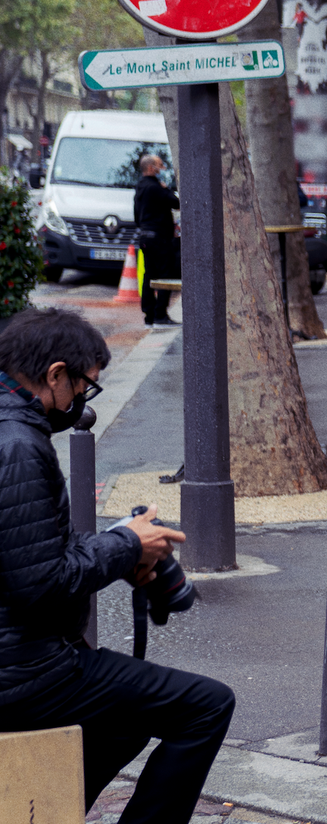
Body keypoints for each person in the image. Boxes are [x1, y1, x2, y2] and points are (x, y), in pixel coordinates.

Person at [0, 307, 235, 820]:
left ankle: (42, 811)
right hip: (25, 674)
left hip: (18, 662)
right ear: (55, 374)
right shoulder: (18, 444)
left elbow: (25, 546)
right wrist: (127, 546)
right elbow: (39, 583)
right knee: (207, 705)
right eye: (84, 386)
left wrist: (121, 545)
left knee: (124, 719)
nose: (83, 400)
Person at [133, 154, 180, 329]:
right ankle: (161, 315)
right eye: (160, 165)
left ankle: (149, 315)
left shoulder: (140, 188)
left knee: (149, 276)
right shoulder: (156, 188)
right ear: (151, 168)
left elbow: (137, 216)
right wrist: (166, 188)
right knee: (165, 275)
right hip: (159, 238)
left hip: (145, 237)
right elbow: (176, 203)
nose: (163, 169)